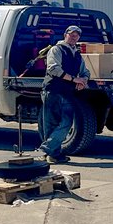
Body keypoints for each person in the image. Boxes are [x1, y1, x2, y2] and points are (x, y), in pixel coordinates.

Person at [39, 24, 88, 163]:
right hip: (53, 90)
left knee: (66, 122)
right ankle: (54, 155)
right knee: (51, 124)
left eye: (76, 35)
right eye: (71, 34)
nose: (74, 37)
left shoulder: (77, 54)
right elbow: (53, 69)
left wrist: (83, 80)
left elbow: (85, 71)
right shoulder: (56, 49)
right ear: (65, 35)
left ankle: (46, 150)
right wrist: (74, 79)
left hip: (67, 92)